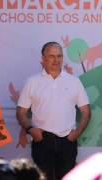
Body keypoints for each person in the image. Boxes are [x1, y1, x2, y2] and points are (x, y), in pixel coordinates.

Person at [16, 42, 90, 180]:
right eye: (51, 56)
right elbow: (21, 111)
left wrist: (76, 134)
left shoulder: (74, 82)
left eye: (59, 56)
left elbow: (86, 111)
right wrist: (31, 130)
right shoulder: (32, 82)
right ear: (43, 59)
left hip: (67, 142)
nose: (56, 60)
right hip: (42, 142)